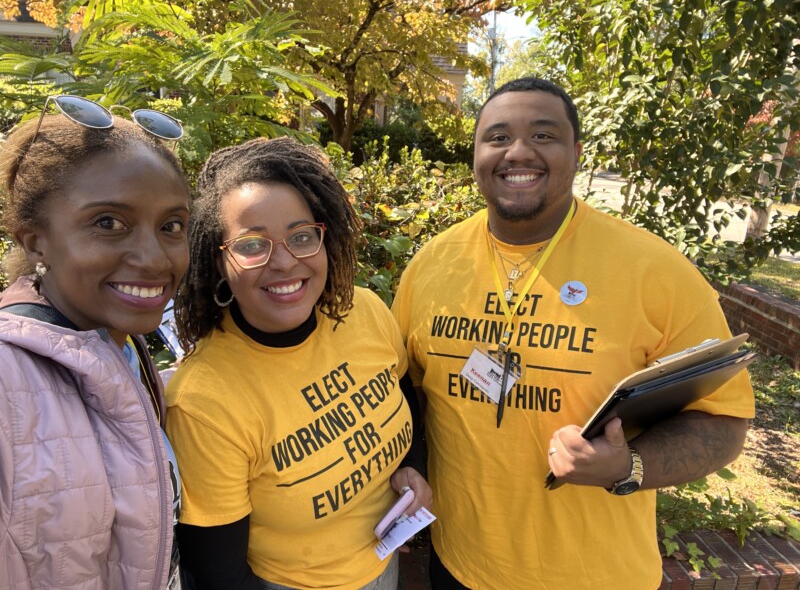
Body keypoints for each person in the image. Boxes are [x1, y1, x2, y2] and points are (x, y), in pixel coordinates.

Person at [390, 77, 755, 590]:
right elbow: (407, 394)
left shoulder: (655, 271)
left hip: (597, 575)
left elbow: (724, 423)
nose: (517, 152)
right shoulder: (431, 265)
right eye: (497, 137)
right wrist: (411, 468)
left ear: (577, 152)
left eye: (543, 136)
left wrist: (628, 464)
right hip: (461, 566)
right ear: (474, 154)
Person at [165, 136, 432, 590]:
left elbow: (404, 393)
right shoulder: (204, 401)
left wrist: (412, 469)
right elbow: (220, 575)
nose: (285, 262)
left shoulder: (363, 311)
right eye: (252, 245)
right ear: (219, 260)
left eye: (301, 236)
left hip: (384, 568)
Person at [0, 96, 189, 588]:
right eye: (108, 223)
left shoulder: (116, 347)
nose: (153, 258)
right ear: (33, 239)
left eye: (171, 226)